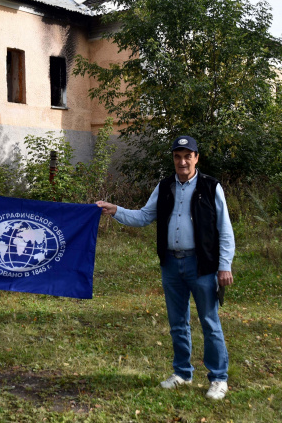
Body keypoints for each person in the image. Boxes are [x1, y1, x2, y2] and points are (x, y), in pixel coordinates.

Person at [96, 135, 235, 400]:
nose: (182, 161)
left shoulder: (211, 187)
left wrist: (224, 266)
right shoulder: (164, 187)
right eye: (177, 156)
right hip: (171, 264)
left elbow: (224, 229)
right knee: (177, 323)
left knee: (209, 321)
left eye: (187, 156)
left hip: (202, 265)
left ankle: (219, 378)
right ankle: (182, 373)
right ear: (173, 159)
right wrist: (115, 210)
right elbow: (144, 216)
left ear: (196, 157)